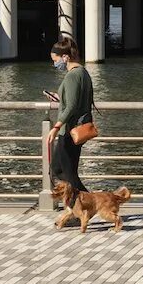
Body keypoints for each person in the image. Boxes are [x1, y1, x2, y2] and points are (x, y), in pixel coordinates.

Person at [44, 34, 93, 208]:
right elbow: (75, 101)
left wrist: (56, 127)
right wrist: (60, 99)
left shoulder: (72, 75)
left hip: (70, 131)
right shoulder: (83, 72)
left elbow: (71, 106)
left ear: (65, 57)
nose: (54, 64)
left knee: (67, 173)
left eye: (55, 59)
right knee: (61, 169)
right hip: (77, 129)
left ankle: (86, 205)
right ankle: (86, 204)